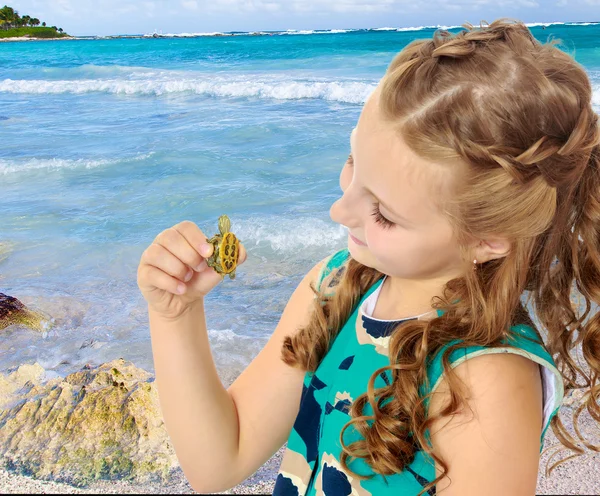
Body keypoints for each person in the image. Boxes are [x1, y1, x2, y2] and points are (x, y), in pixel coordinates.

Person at [137, 18, 600, 496]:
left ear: (487, 236)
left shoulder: (482, 378)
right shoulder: (334, 286)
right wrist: (175, 314)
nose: (340, 210)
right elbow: (219, 461)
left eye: (384, 213)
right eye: (353, 161)